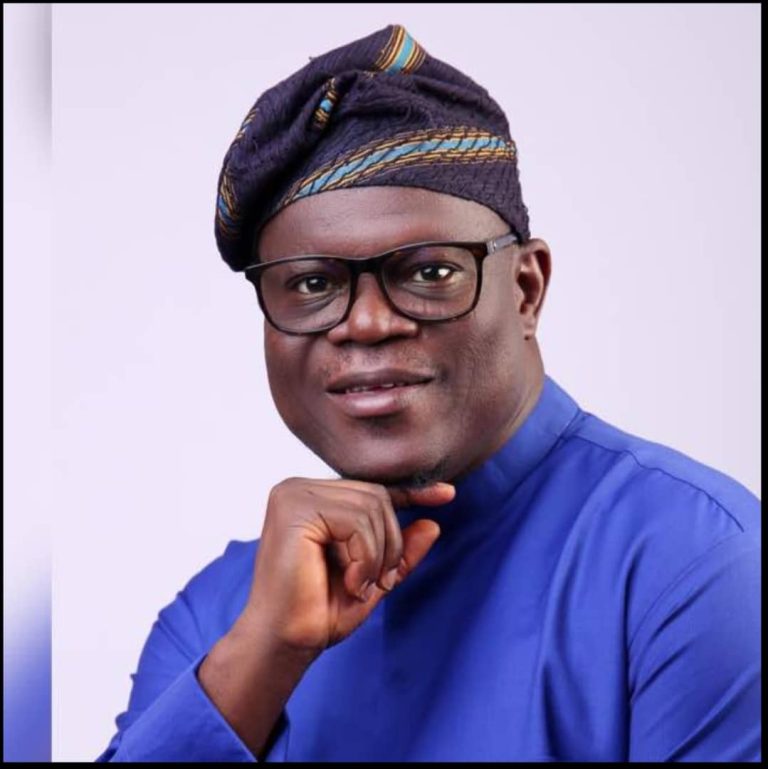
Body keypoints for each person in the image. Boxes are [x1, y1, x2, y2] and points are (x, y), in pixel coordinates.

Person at [97, 25, 760, 762]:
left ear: (527, 289)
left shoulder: (696, 566)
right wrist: (266, 651)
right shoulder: (220, 619)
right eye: (312, 284)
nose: (367, 323)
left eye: (428, 272)